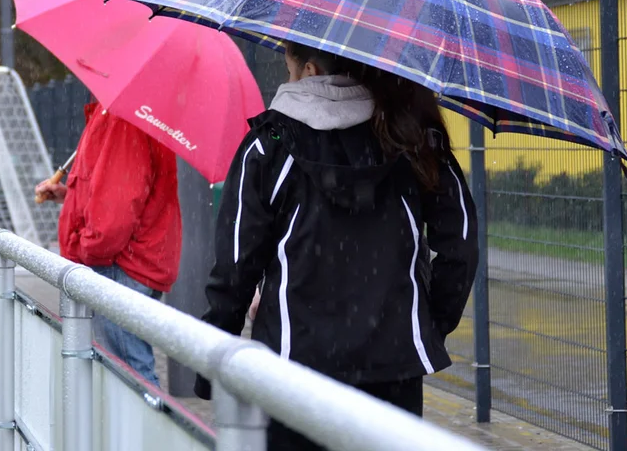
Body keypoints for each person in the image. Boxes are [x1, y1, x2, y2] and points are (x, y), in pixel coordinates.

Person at [195, 42, 478, 449]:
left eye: (289, 70)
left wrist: (211, 366)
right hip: (393, 369)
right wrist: (426, 325)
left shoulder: (268, 144)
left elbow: (234, 269)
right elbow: (462, 246)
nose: (287, 80)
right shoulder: (412, 139)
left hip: (292, 367)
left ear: (309, 70)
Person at [35, 98, 182, 388]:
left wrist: (81, 246)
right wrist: (70, 197)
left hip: (120, 265)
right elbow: (117, 193)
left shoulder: (124, 118)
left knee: (127, 378)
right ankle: (136, 431)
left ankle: (142, 433)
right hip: (131, 260)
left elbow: (114, 216)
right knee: (124, 372)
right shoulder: (130, 113)